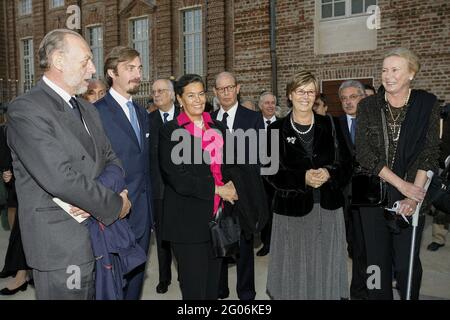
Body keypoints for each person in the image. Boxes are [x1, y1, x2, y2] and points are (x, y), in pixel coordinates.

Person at [6, 29, 131, 300]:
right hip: (62, 246)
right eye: (86, 60)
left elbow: (114, 161)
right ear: (59, 61)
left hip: (100, 238)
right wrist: (115, 204)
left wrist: (101, 195)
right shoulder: (26, 110)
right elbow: (60, 179)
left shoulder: (87, 109)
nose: (93, 68)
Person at [355, 47, 440, 300]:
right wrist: (401, 185)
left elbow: (429, 152)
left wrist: (412, 196)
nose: (387, 75)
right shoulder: (368, 105)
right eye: (384, 70)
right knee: (375, 265)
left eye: (395, 70)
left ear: (411, 73)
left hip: (414, 192)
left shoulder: (427, 103)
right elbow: (364, 153)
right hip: (374, 194)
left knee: (405, 265)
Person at [265, 70, 352, 300]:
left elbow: (346, 164)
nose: (306, 96)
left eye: (311, 91)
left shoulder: (330, 124)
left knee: (325, 266)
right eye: (300, 91)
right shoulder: (274, 130)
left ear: (316, 96)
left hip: (328, 208)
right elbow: (269, 173)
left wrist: (328, 172)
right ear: (290, 95)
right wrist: (302, 178)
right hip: (292, 212)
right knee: (295, 269)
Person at [158, 73, 238, 299]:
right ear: (179, 99)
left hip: (218, 218)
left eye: (201, 94)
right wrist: (217, 188)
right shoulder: (171, 131)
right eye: (190, 95)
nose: (197, 100)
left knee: (213, 287)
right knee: (194, 289)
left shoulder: (219, 127)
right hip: (187, 222)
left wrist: (235, 185)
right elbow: (177, 177)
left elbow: (231, 166)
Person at [95, 46, 153, 300]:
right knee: (112, 282)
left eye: (139, 68)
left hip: (142, 212)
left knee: (137, 278)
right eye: (130, 68)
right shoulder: (95, 112)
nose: (138, 74)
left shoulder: (142, 113)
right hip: (113, 214)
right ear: (111, 72)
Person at [212, 71, 265, 300]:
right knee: (219, 240)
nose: (226, 92)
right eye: (221, 89)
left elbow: (260, 156)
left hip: (243, 192)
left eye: (229, 87)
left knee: (244, 243)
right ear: (215, 92)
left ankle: (246, 293)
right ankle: (220, 290)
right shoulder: (208, 120)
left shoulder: (252, 118)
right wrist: (219, 186)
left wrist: (238, 183)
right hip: (217, 192)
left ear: (238, 88)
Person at [149, 78, 180, 294]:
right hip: (158, 189)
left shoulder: (185, 118)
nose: (156, 95)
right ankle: (164, 278)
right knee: (161, 239)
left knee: (183, 235)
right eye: (153, 91)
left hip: (183, 190)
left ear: (171, 94)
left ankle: (186, 274)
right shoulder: (147, 120)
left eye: (160, 91)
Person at [337, 80, 368, 300]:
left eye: (353, 97)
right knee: (344, 246)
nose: (348, 102)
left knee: (364, 248)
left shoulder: (375, 122)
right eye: (344, 98)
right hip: (340, 197)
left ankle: (360, 292)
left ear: (363, 97)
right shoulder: (333, 124)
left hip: (368, 196)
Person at [0, 121, 31, 296]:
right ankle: (19, 271)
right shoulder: (9, 129)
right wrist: (8, 173)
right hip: (21, 183)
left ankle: (21, 274)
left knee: (23, 228)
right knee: (19, 228)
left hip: (35, 186)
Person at [256, 91, 278, 257]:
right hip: (260, 176)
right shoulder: (253, 124)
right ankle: (267, 242)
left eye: (273, 103)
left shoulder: (284, 124)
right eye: (267, 103)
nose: (270, 106)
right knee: (264, 210)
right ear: (260, 106)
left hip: (279, 176)